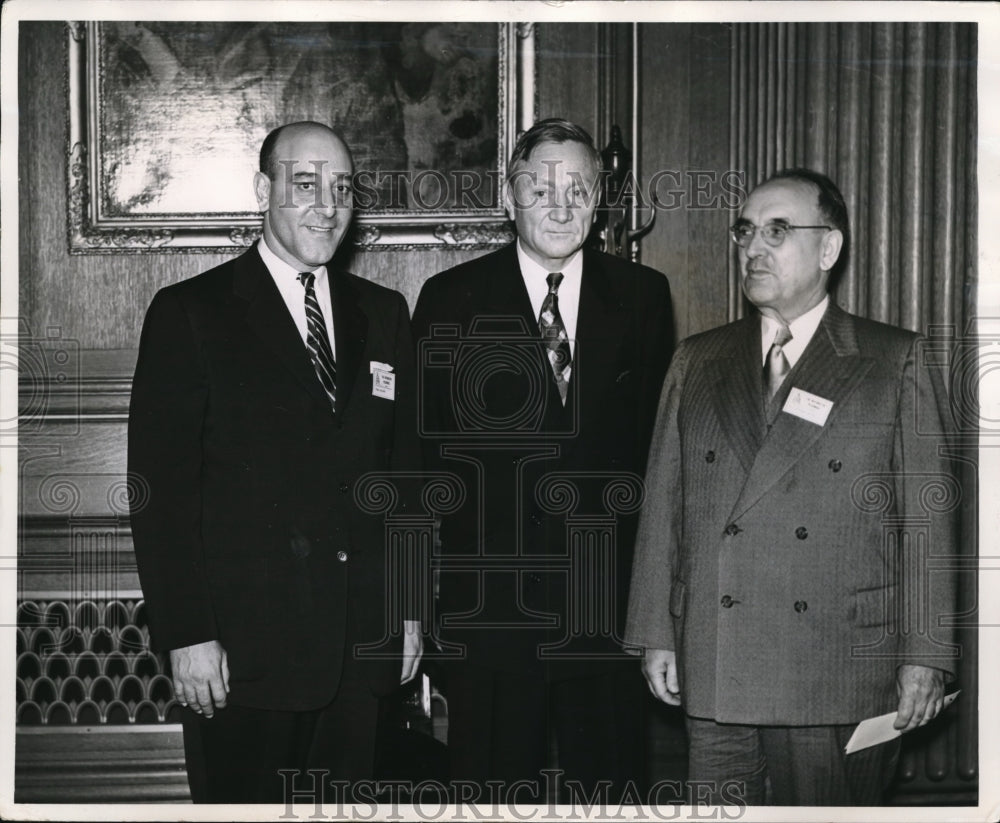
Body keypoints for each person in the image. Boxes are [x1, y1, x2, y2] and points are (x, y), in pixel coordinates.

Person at [625, 168, 959, 805]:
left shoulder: (893, 358)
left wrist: (928, 654)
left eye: (778, 231)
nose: (754, 248)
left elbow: (928, 521)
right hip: (717, 660)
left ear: (828, 249)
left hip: (835, 663)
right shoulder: (698, 359)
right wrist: (655, 632)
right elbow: (663, 502)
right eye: (745, 231)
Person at [128, 121, 422, 803]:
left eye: (342, 187)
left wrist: (408, 611)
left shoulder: (384, 314)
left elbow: (405, 481)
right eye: (306, 184)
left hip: (361, 655)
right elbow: (161, 496)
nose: (327, 203)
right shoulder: (191, 313)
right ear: (264, 190)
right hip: (244, 661)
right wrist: (189, 634)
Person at [411, 118, 674, 801]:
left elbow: (661, 462)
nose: (561, 205)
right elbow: (420, 467)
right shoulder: (450, 300)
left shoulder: (644, 299)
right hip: (492, 617)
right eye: (541, 186)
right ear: (509, 198)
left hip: (608, 616)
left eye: (579, 187)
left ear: (600, 200)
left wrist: (659, 615)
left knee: (613, 796)